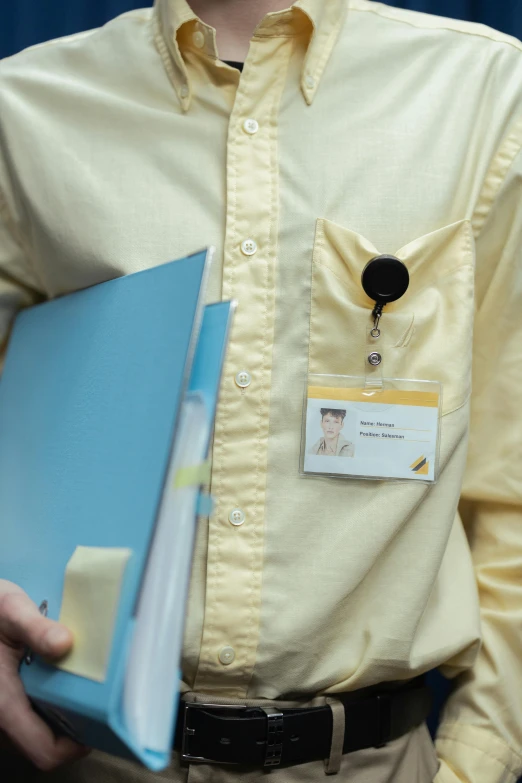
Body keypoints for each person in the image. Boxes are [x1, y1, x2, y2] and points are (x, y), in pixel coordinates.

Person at [0, 0, 521, 781]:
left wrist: (479, 757)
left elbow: (510, 479)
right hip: (89, 751)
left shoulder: (485, 92)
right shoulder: (23, 108)